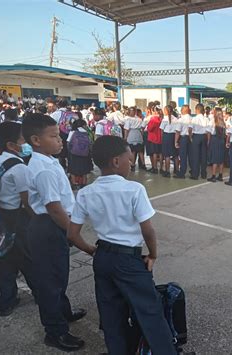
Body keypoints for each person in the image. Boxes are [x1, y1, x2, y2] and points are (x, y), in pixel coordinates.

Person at [67, 136, 177, 355]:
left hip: (103, 258)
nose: (132, 162)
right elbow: (147, 230)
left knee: (111, 315)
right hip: (128, 260)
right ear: (116, 161)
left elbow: (72, 234)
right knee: (150, 312)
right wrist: (153, 254)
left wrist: (93, 251)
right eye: (129, 158)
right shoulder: (134, 190)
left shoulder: (86, 193)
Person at [22, 113, 86, 351]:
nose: (60, 140)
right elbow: (54, 208)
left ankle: (64, 313)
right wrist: (73, 234)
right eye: (54, 136)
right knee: (50, 283)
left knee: (58, 276)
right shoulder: (44, 169)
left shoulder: (47, 161)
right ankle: (55, 332)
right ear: (36, 140)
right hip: (50, 226)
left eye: (59, 135)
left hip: (48, 224)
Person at [0, 122, 35, 317]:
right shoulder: (19, 168)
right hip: (17, 218)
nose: (25, 143)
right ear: (11, 145)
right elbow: (27, 202)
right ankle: (40, 292)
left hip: (0, 217)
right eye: (22, 140)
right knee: (28, 259)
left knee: (4, 261)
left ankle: (7, 301)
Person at [67, 118, 93, 189]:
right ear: (83, 125)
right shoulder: (87, 132)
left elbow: (68, 142)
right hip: (85, 153)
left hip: (74, 153)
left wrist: (70, 151)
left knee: (72, 168)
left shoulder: (73, 131)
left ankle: (74, 183)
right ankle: (84, 183)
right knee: (84, 169)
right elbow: (91, 143)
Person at [189, 103, 209, 180]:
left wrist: (190, 137)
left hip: (196, 136)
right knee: (204, 156)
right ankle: (203, 174)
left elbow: (190, 129)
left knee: (195, 156)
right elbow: (208, 131)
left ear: (197, 110)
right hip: (204, 136)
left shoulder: (194, 119)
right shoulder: (206, 119)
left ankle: (195, 174)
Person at [207, 107, 226, 182]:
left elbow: (208, 132)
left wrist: (208, 141)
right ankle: (220, 175)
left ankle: (214, 175)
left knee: (214, 158)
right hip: (221, 140)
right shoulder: (223, 122)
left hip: (214, 140)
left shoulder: (212, 121)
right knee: (221, 158)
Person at [123, 107, 145, 172]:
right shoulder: (139, 119)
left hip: (131, 134)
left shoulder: (128, 119)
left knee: (133, 151)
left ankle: (132, 165)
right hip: (138, 134)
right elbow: (141, 129)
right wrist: (142, 135)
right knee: (140, 151)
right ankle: (143, 164)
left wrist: (125, 137)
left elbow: (127, 129)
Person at [160, 105, 178, 178]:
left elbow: (161, 129)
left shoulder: (164, 119)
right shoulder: (176, 119)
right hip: (174, 136)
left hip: (166, 136)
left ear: (166, 111)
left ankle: (167, 171)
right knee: (175, 154)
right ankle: (177, 170)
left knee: (167, 155)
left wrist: (162, 138)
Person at [174, 105, 191, 178]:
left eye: (181, 109)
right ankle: (193, 171)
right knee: (191, 156)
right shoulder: (192, 119)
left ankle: (182, 173)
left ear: (183, 110)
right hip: (190, 138)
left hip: (183, 138)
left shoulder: (181, 120)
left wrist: (176, 141)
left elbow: (178, 131)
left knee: (183, 156)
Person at [146, 106, 163, 174]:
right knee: (161, 154)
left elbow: (149, 128)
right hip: (161, 138)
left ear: (154, 111)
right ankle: (161, 168)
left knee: (155, 153)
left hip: (154, 138)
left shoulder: (153, 119)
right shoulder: (162, 118)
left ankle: (155, 168)